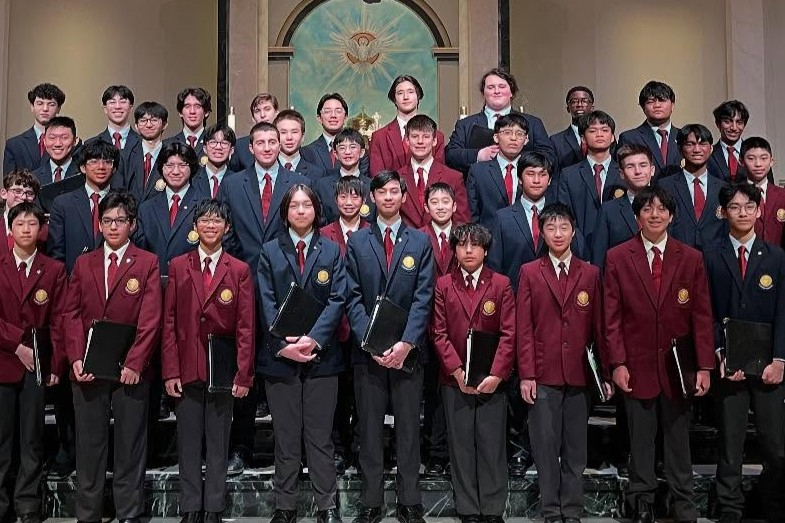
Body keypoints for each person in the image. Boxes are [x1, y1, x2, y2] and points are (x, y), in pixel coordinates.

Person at [604, 185, 714, 523]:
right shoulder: (618, 257)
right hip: (635, 366)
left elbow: (701, 316)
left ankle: (683, 505)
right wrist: (617, 363)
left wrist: (704, 367)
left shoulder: (691, 257)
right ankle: (641, 502)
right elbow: (611, 318)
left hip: (678, 368)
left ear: (672, 215)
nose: (655, 215)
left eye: (662, 209)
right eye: (647, 209)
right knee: (640, 442)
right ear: (637, 217)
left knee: (679, 442)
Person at [61, 188, 162, 523]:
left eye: (120, 220)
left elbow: (150, 319)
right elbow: (70, 314)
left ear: (132, 224)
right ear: (99, 224)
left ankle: (129, 512)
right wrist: (76, 358)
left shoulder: (147, 262)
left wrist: (135, 363)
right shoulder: (84, 262)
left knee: (130, 444)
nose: (113, 226)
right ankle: (88, 513)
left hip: (130, 370)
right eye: (107, 220)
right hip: (88, 367)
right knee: (90, 444)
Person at [218, 121, 311, 474]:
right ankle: (241, 447)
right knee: (245, 364)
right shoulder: (232, 183)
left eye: (274, 141)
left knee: (288, 367)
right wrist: (241, 269)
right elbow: (225, 230)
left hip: (286, 284)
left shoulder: (295, 182)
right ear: (250, 147)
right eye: (261, 142)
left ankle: (294, 448)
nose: (269, 147)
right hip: (242, 283)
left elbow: (303, 228)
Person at [345, 170, 433, 523]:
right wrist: (372, 342)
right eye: (381, 192)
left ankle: (409, 500)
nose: (388, 197)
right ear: (372, 197)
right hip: (368, 354)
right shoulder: (357, 242)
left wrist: (406, 342)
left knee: (408, 429)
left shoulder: (420, 241)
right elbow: (352, 297)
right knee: (369, 430)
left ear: (404, 196)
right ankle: (371, 501)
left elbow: (424, 297)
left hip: (407, 355)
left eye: (394, 191)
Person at [257, 184, 347, 523]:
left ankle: (327, 506)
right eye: (294, 206)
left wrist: (313, 339)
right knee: (286, 437)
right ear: (285, 212)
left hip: (322, 358)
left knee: (320, 437)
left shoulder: (332, 250)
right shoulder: (270, 250)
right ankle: (285, 507)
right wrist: (285, 345)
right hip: (280, 358)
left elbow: (338, 299)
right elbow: (266, 300)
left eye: (306, 205)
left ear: (316, 210)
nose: (300, 211)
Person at [162, 199, 254, 523]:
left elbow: (246, 326)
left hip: (222, 371)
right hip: (186, 366)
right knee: (188, 443)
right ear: (194, 226)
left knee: (218, 442)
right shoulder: (178, 266)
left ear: (226, 228)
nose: (210, 225)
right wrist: (170, 370)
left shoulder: (239, 270)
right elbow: (169, 322)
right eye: (204, 220)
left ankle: (213, 507)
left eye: (217, 221)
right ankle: (190, 507)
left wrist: (243, 374)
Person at [517, 203, 608, 523]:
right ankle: (550, 510)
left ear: (574, 231)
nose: (558, 234)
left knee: (576, 448)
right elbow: (523, 327)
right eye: (551, 228)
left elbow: (600, 327)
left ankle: (571, 509)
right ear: (541, 233)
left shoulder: (590, 273)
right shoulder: (530, 272)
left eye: (564, 227)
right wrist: (526, 374)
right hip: (542, 373)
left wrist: (604, 373)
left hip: (580, 373)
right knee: (545, 447)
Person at [703, 183, 785, 523]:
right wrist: (719, 353)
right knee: (730, 441)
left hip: (769, 366)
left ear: (759, 211)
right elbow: (705, 311)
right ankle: (730, 507)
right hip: (729, 364)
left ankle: (773, 504)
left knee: (775, 444)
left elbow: (783, 312)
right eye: (735, 207)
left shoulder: (777, 257)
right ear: (723, 212)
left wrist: (780, 360)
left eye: (749, 206)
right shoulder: (710, 255)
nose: (742, 213)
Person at [430, 223, 514, 523]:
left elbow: (509, 334)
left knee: (492, 445)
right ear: (453, 250)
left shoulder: (501, 284)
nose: (468, 250)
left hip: (492, 380)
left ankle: (492, 509)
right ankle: (467, 508)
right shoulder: (443, 285)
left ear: (485, 250)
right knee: (461, 446)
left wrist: (496, 375)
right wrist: (457, 372)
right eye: (462, 245)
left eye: (475, 245)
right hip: (455, 381)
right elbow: (438, 333)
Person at [0, 202, 67, 523]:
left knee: (31, 437)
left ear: (41, 230)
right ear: (9, 229)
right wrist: (17, 345)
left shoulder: (53, 270)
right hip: (3, 360)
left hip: (38, 366)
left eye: (32, 224)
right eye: (20, 224)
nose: (26, 229)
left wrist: (55, 364)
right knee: (2, 439)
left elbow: (60, 319)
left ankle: (27, 504)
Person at [319, 176, 369, 473]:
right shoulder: (324, 234)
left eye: (355, 197)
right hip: (333, 327)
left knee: (364, 392)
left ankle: (362, 445)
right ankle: (337, 447)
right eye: (343, 197)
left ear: (363, 201)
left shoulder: (373, 231)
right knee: (336, 394)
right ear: (335, 200)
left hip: (364, 324)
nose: (349, 202)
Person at [488, 151, 584, 291]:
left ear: (550, 180)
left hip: (556, 294)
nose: (536, 180)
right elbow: (494, 266)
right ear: (520, 179)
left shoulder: (563, 216)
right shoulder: (502, 218)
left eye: (542, 174)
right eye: (530, 174)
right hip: (515, 295)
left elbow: (579, 254)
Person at [445, 68, 555, 175]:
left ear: (511, 92)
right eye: (491, 87)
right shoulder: (465, 124)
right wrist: (478, 155)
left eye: (502, 87)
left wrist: (515, 157)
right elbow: (450, 155)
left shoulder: (533, 123)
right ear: (483, 93)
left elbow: (548, 156)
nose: (496, 91)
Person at [419, 182, 459, 476]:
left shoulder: (466, 237)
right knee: (430, 392)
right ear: (426, 207)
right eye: (435, 201)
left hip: (458, 325)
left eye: (446, 201)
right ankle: (434, 452)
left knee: (455, 390)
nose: (441, 206)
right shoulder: (417, 237)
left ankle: (455, 451)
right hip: (425, 325)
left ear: (455, 206)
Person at [47, 140, 121, 274]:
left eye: (107, 162)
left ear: (114, 168)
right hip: (73, 279)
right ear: (82, 167)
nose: (101, 167)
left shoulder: (123, 202)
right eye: (94, 161)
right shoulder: (63, 204)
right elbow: (56, 253)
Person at [557, 110, 623, 249]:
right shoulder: (568, 175)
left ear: (612, 137)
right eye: (592, 131)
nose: (599, 134)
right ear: (583, 138)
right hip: (581, 248)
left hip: (619, 247)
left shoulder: (624, 173)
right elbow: (564, 216)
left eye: (605, 130)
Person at [658, 124, 727, 251]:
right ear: (680, 149)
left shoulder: (723, 188)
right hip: (677, 254)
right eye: (690, 144)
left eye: (702, 144)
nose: (697, 150)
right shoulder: (665, 186)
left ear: (711, 148)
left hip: (715, 256)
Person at [398, 114, 470, 228]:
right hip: (406, 238)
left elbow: (462, 222)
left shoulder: (454, 177)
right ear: (407, 140)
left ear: (435, 140)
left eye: (426, 136)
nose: (420, 141)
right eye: (415, 136)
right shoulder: (397, 178)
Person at [591, 144, 654, 268]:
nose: (638, 171)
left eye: (643, 165)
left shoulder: (666, 206)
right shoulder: (608, 211)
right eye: (630, 166)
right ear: (621, 173)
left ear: (652, 170)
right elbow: (599, 259)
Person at [368, 74, 446, 176]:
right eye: (400, 93)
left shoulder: (437, 136)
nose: (406, 97)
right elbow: (377, 178)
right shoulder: (379, 137)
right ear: (394, 99)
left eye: (410, 92)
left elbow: (439, 175)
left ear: (418, 96)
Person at [467, 113, 531, 230]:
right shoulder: (478, 172)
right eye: (507, 133)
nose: (513, 138)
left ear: (526, 139)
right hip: (488, 236)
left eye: (519, 134)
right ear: (496, 137)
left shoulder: (533, 171)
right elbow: (472, 214)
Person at [617, 81, 682, 177]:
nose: (657, 105)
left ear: (672, 105)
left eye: (662, 100)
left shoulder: (684, 137)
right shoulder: (629, 138)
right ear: (643, 107)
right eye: (651, 102)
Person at [313, 128, 374, 225]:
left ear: (362, 152)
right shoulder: (322, 186)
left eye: (353, 147)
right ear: (335, 154)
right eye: (342, 148)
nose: (347, 152)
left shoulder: (372, 186)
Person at [4, 83, 66, 174]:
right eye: (40, 103)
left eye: (51, 104)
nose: (45, 109)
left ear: (58, 108)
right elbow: (9, 180)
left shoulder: (68, 143)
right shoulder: (14, 145)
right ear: (32, 107)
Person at [302, 93, 370, 176]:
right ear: (319, 118)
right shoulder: (307, 152)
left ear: (345, 117)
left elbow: (363, 180)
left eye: (338, 111)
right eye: (327, 111)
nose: (333, 115)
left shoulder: (359, 151)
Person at [86, 85, 140, 182]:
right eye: (112, 102)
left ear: (131, 108)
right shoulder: (90, 144)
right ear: (105, 109)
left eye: (123, 102)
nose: (117, 106)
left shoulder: (142, 143)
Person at [740, 137, 785, 246]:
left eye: (764, 158)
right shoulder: (735, 195)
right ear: (741, 162)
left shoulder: (782, 195)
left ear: (771, 161)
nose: (758, 164)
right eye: (751, 158)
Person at [122, 101, 169, 202]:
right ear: (136, 126)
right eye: (143, 120)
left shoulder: (171, 155)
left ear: (164, 125)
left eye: (154, 120)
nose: (148, 125)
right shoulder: (125, 155)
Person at [549, 86, 595, 172]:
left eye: (584, 101)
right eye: (574, 101)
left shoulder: (604, 137)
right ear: (568, 108)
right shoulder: (556, 141)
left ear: (592, 107)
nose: (579, 105)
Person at [230, 92, 279, 172]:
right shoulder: (240, 147)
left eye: (267, 109)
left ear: (276, 113)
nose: (262, 115)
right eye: (257, 111)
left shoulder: (287, 142)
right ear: (253, 118)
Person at [275, 109, 326, 182]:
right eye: (283, 132)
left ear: (302, 137)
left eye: (294, 132)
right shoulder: (267, 169)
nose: (289, 137)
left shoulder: (317, 174)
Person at [1, 171, 43, 259]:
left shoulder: (44, 231)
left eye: (29, 193)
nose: (23, 197)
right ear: (4, 193)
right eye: (17, 191)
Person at [192, 123, 237, 199]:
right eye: (213, 142)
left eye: (224, 143)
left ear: (231, 150)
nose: (218, 147)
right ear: (205, 148)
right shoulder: (192, 180)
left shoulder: (238, 181)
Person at [708, 100, 749, 183]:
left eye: (739, 122)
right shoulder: (708, 155)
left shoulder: (754, 153)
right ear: (718, 124)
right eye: (728, 122)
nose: (734, 128)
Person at [33, 116, 80, 186]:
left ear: (75, 141)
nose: (58, 144)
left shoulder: (83, 174)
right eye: (52, 138)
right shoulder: (34, 177)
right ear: (44, 141)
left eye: (64, 138)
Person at [166, 87, 212, 156]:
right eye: (187, 106)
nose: (192, 111)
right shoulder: (167, 145)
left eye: (197, 106)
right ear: (180, 112)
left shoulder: (214, 145)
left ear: (206, 112)